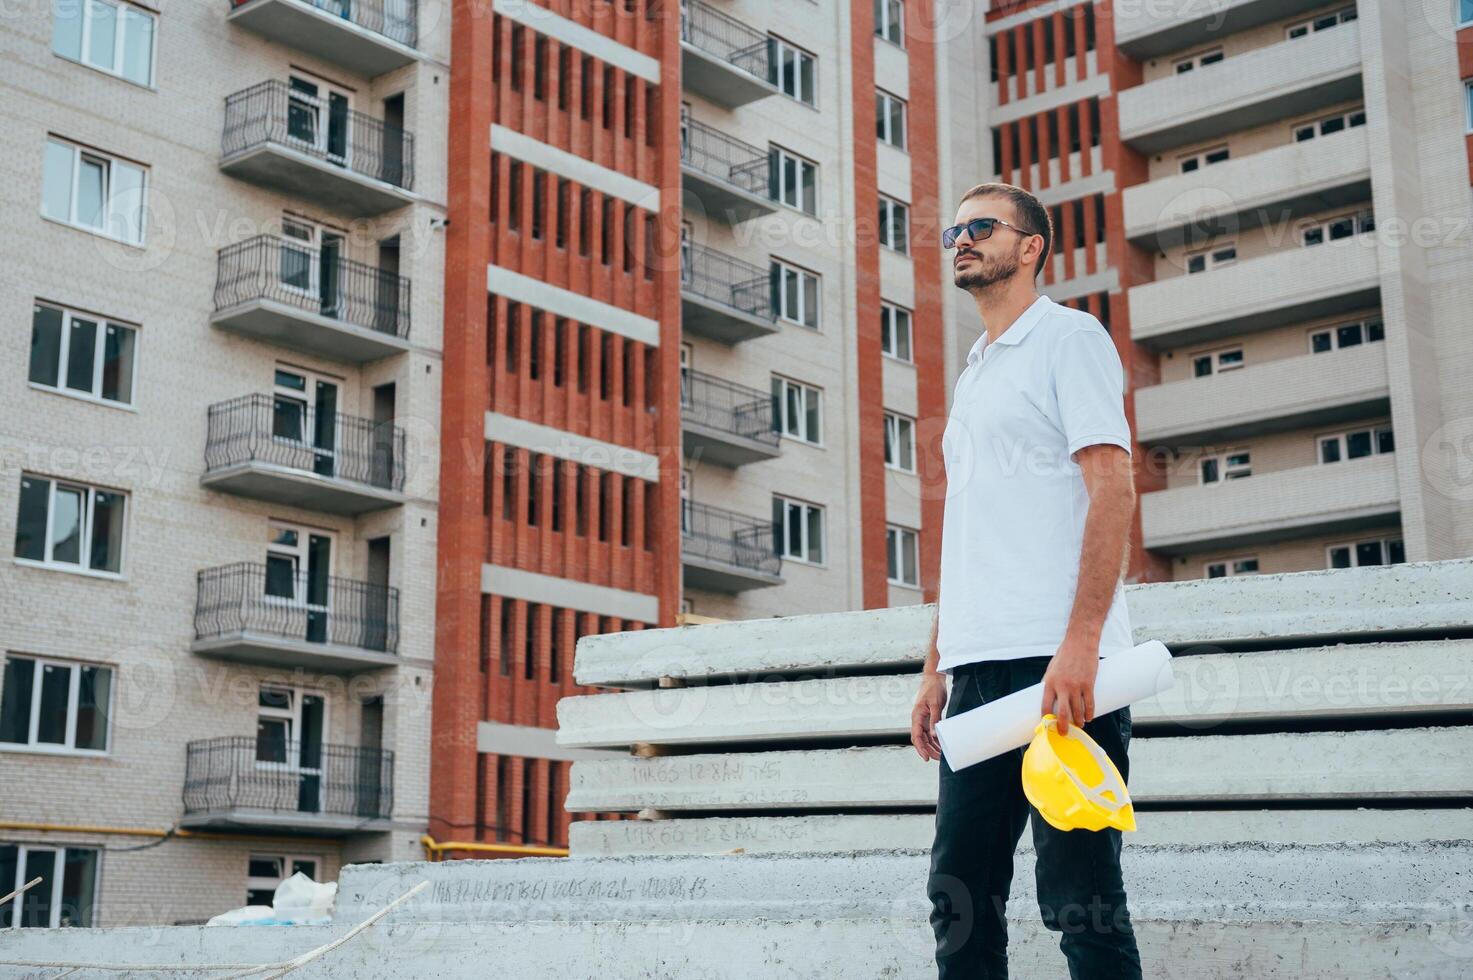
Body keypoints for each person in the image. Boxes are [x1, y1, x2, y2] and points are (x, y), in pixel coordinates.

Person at [912, 182, 1144, 980]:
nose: (961, 240)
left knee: (1078, 896)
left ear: (1031, 246)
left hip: (1061, 671)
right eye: (954, 230)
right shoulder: (975, 370)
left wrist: (1080, 645)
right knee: (958, 894)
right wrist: (935, 666)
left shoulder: (1067, 338)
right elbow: (969, 531)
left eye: (981, 227)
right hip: (976, 672)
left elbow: (1112, 486)